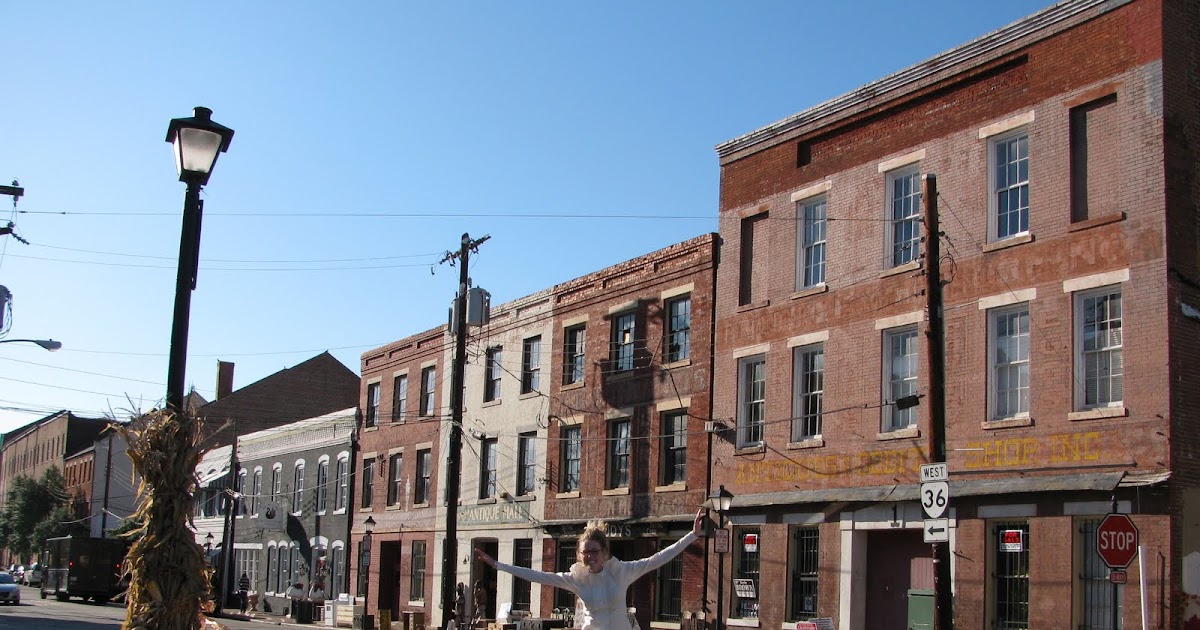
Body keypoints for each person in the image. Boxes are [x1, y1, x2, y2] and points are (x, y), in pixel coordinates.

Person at [475, 508, 705, 630]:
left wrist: (692, 535)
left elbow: (658, 559)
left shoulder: (621, 572)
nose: (589, 556)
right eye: (585, 552)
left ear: (604, 552)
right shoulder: (577, 578)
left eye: (594, 551)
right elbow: (537, 576)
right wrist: (497, 565)